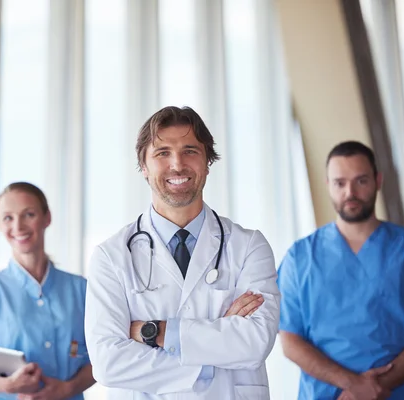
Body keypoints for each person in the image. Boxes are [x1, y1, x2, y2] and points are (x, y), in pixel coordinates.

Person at [85, 106, 281, 399]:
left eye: (190, 150)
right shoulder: (112, 256)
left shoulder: (249, 246)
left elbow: (256, 342)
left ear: (207, 162)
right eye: (162, 153)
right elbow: (107, 363)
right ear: (143, 166)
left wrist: (155, 332)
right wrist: (212, 356)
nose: (177, 164)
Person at [277, 141, 404, 400]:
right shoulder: (300, 257)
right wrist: (353, 385)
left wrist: (376, 387)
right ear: (328, 185)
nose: (350, 192)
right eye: (340, 183)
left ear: (378, 180)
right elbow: (290, 339)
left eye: (361, 181)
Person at [0, 182, 95, 400]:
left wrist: (67, 389)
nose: (18, 226)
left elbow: (105, 356)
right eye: (8, 218)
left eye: (29, 214)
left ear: (47, 218)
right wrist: (6, 385)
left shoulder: (82, 290)